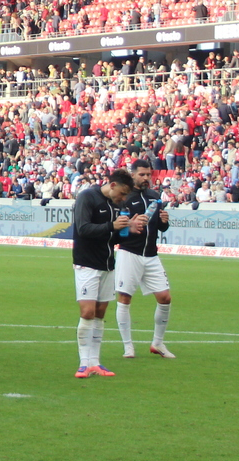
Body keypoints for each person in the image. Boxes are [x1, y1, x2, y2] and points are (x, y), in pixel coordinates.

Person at [71, 169, 137, 378]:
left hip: (107, 264)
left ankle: (95, 362)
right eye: (122, 193)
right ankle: (83, 363)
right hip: (86, 263)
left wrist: (129, 230)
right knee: (87, 312)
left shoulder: (118, 206)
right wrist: (111, 225)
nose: (123, 199)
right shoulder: (87, 197)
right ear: (113, 185)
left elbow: (113, 238)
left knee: (100, 313)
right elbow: (83, 229)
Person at [114, 158, 174, 360]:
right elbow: (118, 229)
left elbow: (159, 227)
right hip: (129, 253)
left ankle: (157, 343)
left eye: (148, 174)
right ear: (133, 175)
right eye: (142, 174)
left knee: (165, 297)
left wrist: (164, 222)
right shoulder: (124, 197)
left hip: (151, 254)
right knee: (125, 298)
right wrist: (129, 225)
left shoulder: (154, 196)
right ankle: (128, 346)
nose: (146, 178)